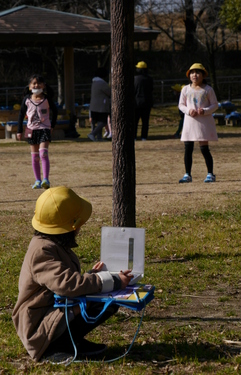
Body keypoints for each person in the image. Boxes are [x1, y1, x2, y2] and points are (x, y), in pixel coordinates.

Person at [12, 186, 133, 362]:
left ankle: (69, 341)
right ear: (71, 225)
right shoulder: (42, 251)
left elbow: (63, 280)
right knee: (103, 303)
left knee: (104, 302)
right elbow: (67, 285)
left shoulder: (51, 244)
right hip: (38, 328)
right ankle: (52, 348)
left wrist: (93, 275)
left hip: (53, 311)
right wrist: (112, 281)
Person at [178, 63, 218, 183]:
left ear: (203, 75)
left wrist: (204, 111)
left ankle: (210, 173)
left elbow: (215, 105)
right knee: (188, 148)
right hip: (190, 122)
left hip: (203, 122)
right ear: (189, 75)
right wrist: (189, 111)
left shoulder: (208, 89)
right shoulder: (185, 89)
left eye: (197, 72)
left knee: (204, 148)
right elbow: (181, 105)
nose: (194, 75)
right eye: (192, 72)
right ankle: (187, 174)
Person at [17, 74, 58, 189]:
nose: (36, 85)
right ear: (30, 86)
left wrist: (52, 125)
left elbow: (55, 111)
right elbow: (21, 115)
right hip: (31, 130)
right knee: (35, 157)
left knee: (43, 154)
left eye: (39, 83)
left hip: (44, 129)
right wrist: (19, 130)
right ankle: (37, 181)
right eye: (34, 83)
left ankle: (46, 179)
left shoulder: (47, 99)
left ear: (43, 86)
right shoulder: (27, 99)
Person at [88, 67, 111, 141]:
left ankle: (99, 137)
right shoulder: (102, 83)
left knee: (97, 121)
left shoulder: (94, 82)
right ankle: (93, 134)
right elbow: (109, 92)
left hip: (94, 106)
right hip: (101, 105)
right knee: (103, 121)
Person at [134, 61, 153, 140]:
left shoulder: (135, 79)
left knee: (135, 121)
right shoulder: (149, 79)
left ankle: (134, 136)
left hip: (136, 103)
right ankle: (144, 137)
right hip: (147, 102)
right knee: (145, 122)